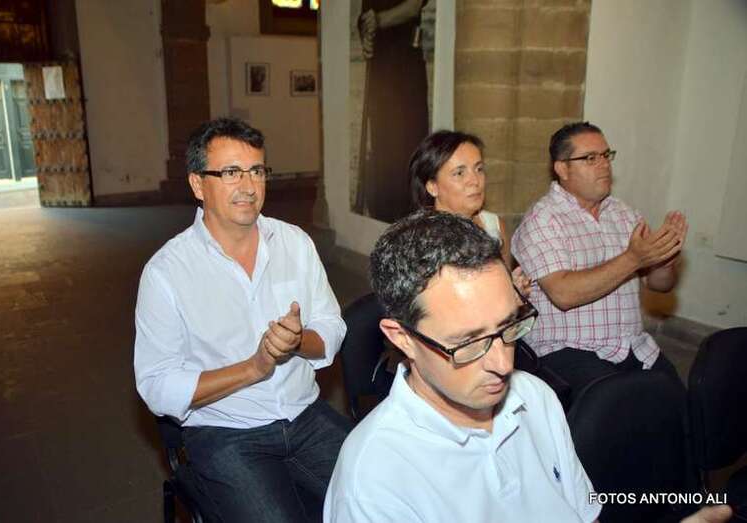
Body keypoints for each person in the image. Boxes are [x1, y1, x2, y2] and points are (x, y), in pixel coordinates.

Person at [134, 117, 351, 523]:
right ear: (198, 184)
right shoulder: (167, 272)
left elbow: (332, 325)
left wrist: (298, 341)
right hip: (227, 432)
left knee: (388, 497)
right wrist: (254, 367)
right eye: (231, 172)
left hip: (305, 414)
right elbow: (157, 385)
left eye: (257, 171)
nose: (249, 186)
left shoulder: (294, 243)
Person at [324, 210, 602, 522]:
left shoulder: (536, 397)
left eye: (509, 325)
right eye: (469, 342)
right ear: (403, 338)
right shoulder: (373, 484)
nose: (503, 364)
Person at [511, 121, 689, 397]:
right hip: (568, 349)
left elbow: (660, 285)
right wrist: (634, 258)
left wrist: (664, 260)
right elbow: (563, 294)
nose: (604, 164)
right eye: (590, 158)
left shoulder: (624, 214)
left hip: (632, 346)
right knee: (619, 405)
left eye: (606, 155)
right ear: (562, 169)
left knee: (676, 400)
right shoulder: (542, 219)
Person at [409, 129, 531, 294]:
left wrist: (513, 290)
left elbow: (501, 289)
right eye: (459, 173)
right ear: (432, 186)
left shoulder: (494, 225)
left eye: (479, 169)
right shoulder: (423, 241)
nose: (475, 181)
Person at [353, 0, 429, 222]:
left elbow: (414, 5)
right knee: (382, 141)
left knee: (408, 139)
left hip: (406, 65)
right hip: (380, 66)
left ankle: (409, 214)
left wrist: (378, 20)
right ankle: (385, 215)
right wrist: (366, 32)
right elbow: (365, 15)